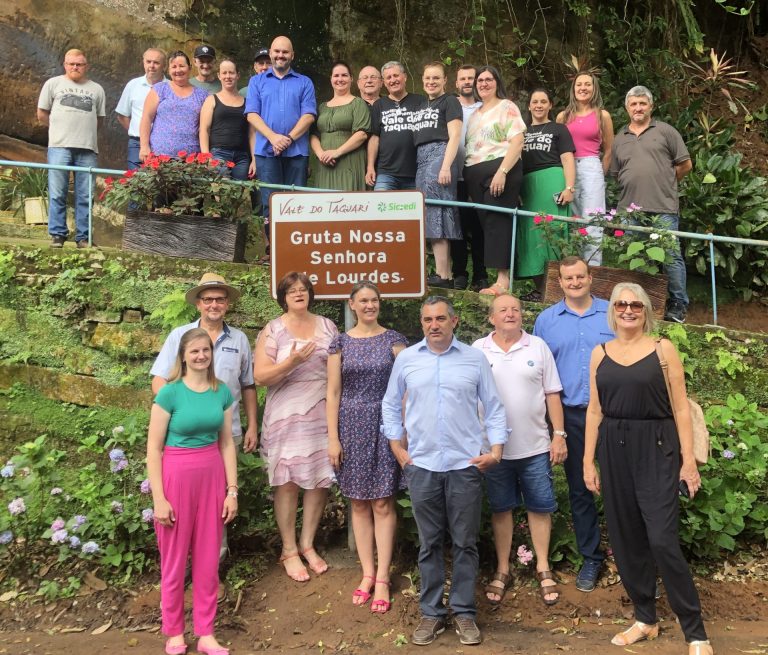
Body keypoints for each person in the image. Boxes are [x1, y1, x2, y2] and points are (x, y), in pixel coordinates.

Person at [583, 283, 712, 655]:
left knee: (662, 539)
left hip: (657, 446)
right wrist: (587, 460)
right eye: (621, 304)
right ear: (613, 310)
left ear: (646, 310)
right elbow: (595, 410)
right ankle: (645, 619)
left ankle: (695, 632)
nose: (628, 310)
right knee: (626, 538)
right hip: (613, 449)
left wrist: (688, 461)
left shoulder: (662, 349)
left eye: (635, 304)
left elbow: (681, 408)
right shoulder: (599, 353)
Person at [381, 296, 507, 647]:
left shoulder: (474, 358)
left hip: (464, 465)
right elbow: (390, 404)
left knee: (466, 542)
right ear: (421, 323)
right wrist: (397, 448)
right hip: (422, 465)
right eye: (427, 320)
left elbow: (493, 406)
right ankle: (432, 614)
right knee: (429, 542)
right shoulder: (407, 359)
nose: (433, 325)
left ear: (454, 321)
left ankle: (464, 613)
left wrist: (496, 450)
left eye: (440, 318)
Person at [146, 327, 238, 655]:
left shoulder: (221, 392)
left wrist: (232, 491)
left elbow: (226, 444)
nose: (201, 356)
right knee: (173, 561)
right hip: (176, 479)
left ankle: (206, 633)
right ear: (183, 356)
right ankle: (174, 632)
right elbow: (153, 449)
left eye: (206, 350)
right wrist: (159, 498)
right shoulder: (169, 394)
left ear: (212, 354)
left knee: (208, 560)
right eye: (194, 351)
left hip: (212, 478)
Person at [473, 293, 566, 607]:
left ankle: (543, 567)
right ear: (492, 318)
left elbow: (552, 393)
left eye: (515, 309)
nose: (510, 313)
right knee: (501, 508)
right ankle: (503, 568)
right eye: (503, 310)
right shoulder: (477, 350)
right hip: (492, 450)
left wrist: (559, 435)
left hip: (535, 447)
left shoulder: (537, 347)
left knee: (540, 507)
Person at [532, 256, 613, 592]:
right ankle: (592, 558)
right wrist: (553, 428)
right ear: (560, 282)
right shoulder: (546, 321)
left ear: (590, 278)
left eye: (580, 276)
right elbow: (539, 372)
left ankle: (633, 559)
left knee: (622, 487)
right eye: (569, 278)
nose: (575, 283)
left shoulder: (612, 312)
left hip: (613, 414)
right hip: (572, 416)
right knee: (581, 489)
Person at [326, 282, 407, 613]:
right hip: (350, 426)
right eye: (363, 301)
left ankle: (384, 577)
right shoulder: (340, 342)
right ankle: (367, 573)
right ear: (352, 305)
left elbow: (406, 389)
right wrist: (333, 438)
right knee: (358, 503)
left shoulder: (395, 340)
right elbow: (333, 392)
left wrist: (403, 433)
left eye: (374, 300)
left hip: (385, 424)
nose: (369, 305)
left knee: (383, 503)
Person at [253, 272, 338, 582]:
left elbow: (337, 371)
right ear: (283, 298)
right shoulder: (273, 329)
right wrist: (291, 362)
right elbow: (260, 376)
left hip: (321, 412)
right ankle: (289, 550)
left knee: (319, 479)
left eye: (304, 289)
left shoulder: (328, 326)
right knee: (287, 481)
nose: (299, 294)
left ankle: (307, 544)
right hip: (285, 414)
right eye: (292, 291)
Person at [609, 85, 692, 324]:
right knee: (635, 256)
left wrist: (664, 183)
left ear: (651, 106)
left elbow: (685, 165)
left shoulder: (666, 131)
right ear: (627, 108)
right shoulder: (620, 138)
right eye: (633, 104)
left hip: (662, 207)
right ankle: (642, 303)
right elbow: (617, 174)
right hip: (629, 209)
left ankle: (678, 304)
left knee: (671, 256)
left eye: (642, 103)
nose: (638, 108)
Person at [151, 273, 257, 453]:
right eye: (208, 299)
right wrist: (181, 409)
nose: (214, 305)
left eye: (220, 299)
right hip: (187, 432)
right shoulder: (179, 335)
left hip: (228, 432)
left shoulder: (239, 339)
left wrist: (252, 426)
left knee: (228, 472)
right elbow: (159, 380)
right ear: (198, 304)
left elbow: (248, 386)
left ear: (227, 304)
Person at [463, 65, 526, 296]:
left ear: (497, 82)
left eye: (488, 79)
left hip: (499, 169)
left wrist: (502, 172)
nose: (484, 84)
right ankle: (495, 278)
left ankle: (503, 280)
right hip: (474, 173)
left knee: (498, 221)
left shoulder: (506, 106)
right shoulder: (474, 114)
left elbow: (517, 141)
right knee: (486, 225)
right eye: (480, 80)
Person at [37, 48, 105, 249]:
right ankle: (58, 235)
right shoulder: (53, 84)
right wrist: (59, 129)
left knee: (85, 195)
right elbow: (42, 113)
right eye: (71, 64)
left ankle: (83, 237)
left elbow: (99, 120)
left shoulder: (97, 89)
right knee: (57, 192)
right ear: (65, 65)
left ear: (86, 66)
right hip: (59, 146)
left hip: (87, 149)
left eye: (79, 64)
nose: (75, 67)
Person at [245, 36, 316, 226]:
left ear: (292, 55)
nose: (280, 55)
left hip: (297, 152)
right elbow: (252, 115)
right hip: (266, 152)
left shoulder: (305, 82)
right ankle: (272, 244)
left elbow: (309, 115)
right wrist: (273, 138)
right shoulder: (256, 82)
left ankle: (296, 243)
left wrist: (288, 139)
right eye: (277, 51)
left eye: (285, 52)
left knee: (298, 204)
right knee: (269, 205)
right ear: (271, 53)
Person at [519, 88, 577, 299]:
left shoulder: (559, 129)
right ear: (529, 106)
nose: (539, 105)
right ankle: (541, 289)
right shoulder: (521, 131)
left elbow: (568, 159)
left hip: (552, 179)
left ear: (550, 105)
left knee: (551, 231)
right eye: (535, 101)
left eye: (543, 101)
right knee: (531, 234)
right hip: (528, 185)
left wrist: (569, 187)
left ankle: (558, 288)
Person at [413, 62, 463, 288]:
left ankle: (443, 274)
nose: (431, 82)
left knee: (437, 213)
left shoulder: (450, 101)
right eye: (427, 78)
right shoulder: (423, 104)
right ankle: (445, 273)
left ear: (445, 80)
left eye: (436, 78)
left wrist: (445, 166)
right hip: (421, 159)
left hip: (440, 156)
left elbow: (455, 136)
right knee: (429, 214)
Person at [556, 73, 614, 265]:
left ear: (594, 88)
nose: (583, 88)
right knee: (570, 216)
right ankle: (571, 267)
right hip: (567, 167)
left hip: (591, 165)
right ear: (573, 89)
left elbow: (608, 151)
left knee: (593, 219)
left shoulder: (602, 115)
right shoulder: (563, 116)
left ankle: (593, 268)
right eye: (579, 84)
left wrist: (599, 175)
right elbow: (556, 147)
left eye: (587, 84)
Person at [450, 64, 487, 292]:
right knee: (458, 228)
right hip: (454, 176)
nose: (466, 82)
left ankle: (480, 275)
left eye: (470, 78)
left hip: (478, 175)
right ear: (456, 83)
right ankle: (459, 273)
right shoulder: (449, 105)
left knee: (480, 227)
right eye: (462, 78)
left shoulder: (485, 107)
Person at [310, 61, 371, 191]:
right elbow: (314, 135)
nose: (340, 79)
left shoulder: (358, 104)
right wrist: (321, 154)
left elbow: (361, 134)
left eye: (344, 75)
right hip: (324, 165)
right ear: (331, 79)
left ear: (351, 78)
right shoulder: (322, 107)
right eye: (336, 75)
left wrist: (336, 152)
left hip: (349, 163)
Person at [139, 51, 208, 161]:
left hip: (191, 160)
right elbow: (146, 118)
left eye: (181, 66)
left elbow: (205, 127)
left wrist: (205, 155)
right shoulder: (160, 89)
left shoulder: (202, 95)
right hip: (159, 156)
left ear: (190, 68)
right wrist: (144, 147)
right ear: (169, 70)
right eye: (174, 67)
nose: (178, 70)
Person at [365, 61, 424, 190]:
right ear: (384, 82)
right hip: (386, 173)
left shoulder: (421, 101)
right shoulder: (379, 105)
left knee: (415, 204)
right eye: (388, 77)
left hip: (416, 172)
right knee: (380, 203)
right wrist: (370, 167)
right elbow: (374, 138)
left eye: (396, 75)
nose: (393, 80)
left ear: (405, 77)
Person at [199, 59, 254, 182]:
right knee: (222, 189)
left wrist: (254, 159)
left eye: (231, 73)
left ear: (237, 75)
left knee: (239, 191)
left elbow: (251, 133)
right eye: (224, 73)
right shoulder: (211, 100)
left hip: (242, 157)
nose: (228, 76)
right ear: (219, 76)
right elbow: (204, 130)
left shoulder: (247, 103)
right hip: (219, 153)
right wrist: (206, 156)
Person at [115, 48, 167, 170]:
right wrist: (139, 132)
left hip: (164, 143)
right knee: (136, 179)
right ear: (143, 63)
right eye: (148, 62)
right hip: (137, 143)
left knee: (162, 179)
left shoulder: (170, 87)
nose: (151, 66)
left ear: (164, 66)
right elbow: (122, 115)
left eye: (156, 62)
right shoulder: (133, 85)